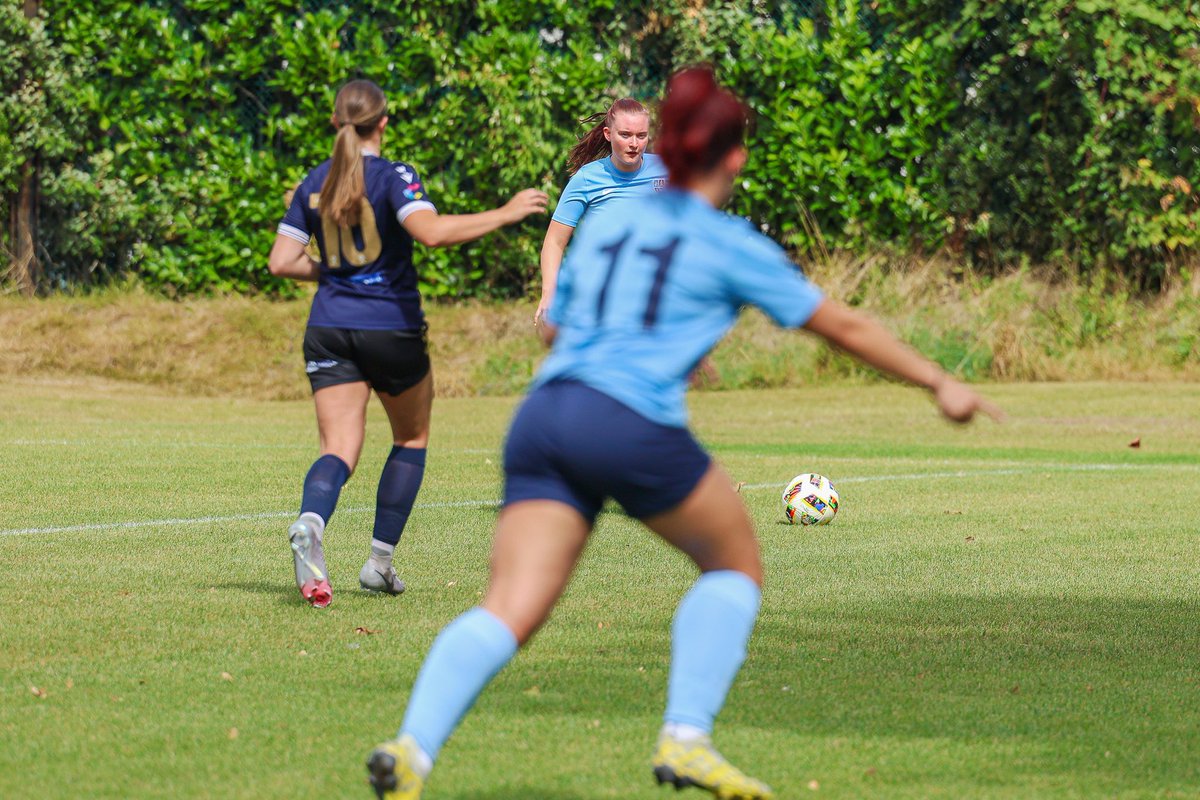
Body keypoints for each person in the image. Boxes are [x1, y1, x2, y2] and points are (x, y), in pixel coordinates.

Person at [364, 67, 1001, 799]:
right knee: (734, 565)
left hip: (544, 416)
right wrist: (938, 381)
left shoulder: (614, 222)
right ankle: (687, 737)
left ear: (667, 147)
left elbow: (562, 331)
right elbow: (843, 327)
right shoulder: (726, 241)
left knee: (508, 606)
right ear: (733, 158)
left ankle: (411, 750)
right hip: (625, 420)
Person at [267, 79, 547, 608]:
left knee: (338, 449)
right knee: (411, 439)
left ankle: (311, 521)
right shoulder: (394, 176)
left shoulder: (315, 180)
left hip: (329, 327)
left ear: (336, 123)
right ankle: (378, 564)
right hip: (390, 327)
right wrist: (507, 212)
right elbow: (432, 232)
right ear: (384, 123)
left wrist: (338, 273)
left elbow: (281, 261)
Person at [535, 97, 667, 325]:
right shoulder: (587, 178)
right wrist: (549, 293)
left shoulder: (666, 171)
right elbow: (555, 241)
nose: (634, 144)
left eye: (641, 136)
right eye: (625, 135)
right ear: (608, 134)